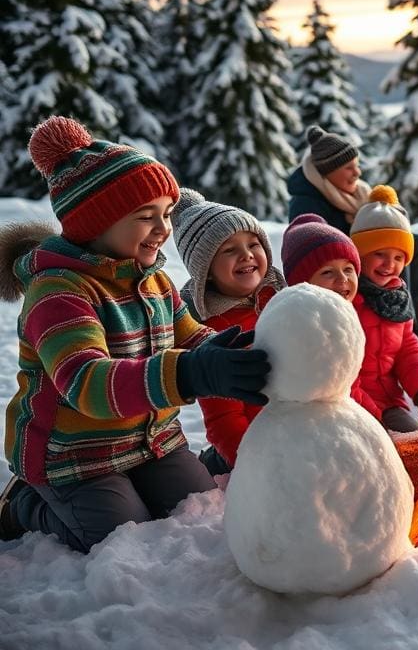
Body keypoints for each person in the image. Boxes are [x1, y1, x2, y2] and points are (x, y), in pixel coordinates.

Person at [0, 117, 270, 550]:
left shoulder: (154, 281)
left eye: (166, 214)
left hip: (153, 441)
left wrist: (247, 351)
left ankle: (133, 480)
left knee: (198, 505)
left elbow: (193, 337)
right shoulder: (58, 292)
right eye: (147, 217)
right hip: (74, 456)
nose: (164, 229)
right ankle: (23, 505)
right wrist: (191, 374)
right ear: (95, 224)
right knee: (116, 532)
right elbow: (88, 383)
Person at [286, 125, 418, 351]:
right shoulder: (307, 202)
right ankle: (405, 319)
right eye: (349, 168)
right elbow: (316, 247)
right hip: (342, 262)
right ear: (327, 172)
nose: (357, 173)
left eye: (357, 166)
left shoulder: (356, 193)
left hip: (361, 248)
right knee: (389, 256)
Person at [171, 189, 286, 476]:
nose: (246, 255)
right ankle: (211, 464)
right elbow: (222, 418)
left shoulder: (281, 300)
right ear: (206, 270)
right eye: (229, 249)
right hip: (247, 446)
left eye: (253, 244)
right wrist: (255, 467)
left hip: (292, 432)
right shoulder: (212, 332)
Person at [349, 186, 418, 433]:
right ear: (359, 254)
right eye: (379, 253)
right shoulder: (347, 299)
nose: (390, 265)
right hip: (350, 407)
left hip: (390, 403)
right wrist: (375, 417)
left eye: (399, 257)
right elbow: (342, 371)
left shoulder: (397, 298)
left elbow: (407, 349)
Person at [280, 212, 382, 421]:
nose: (342, 279)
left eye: (348, 269)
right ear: (303, 282)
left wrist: (377, 418)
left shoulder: (347, 315)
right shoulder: (302, 329)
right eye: (327, 272)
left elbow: (353, 387)